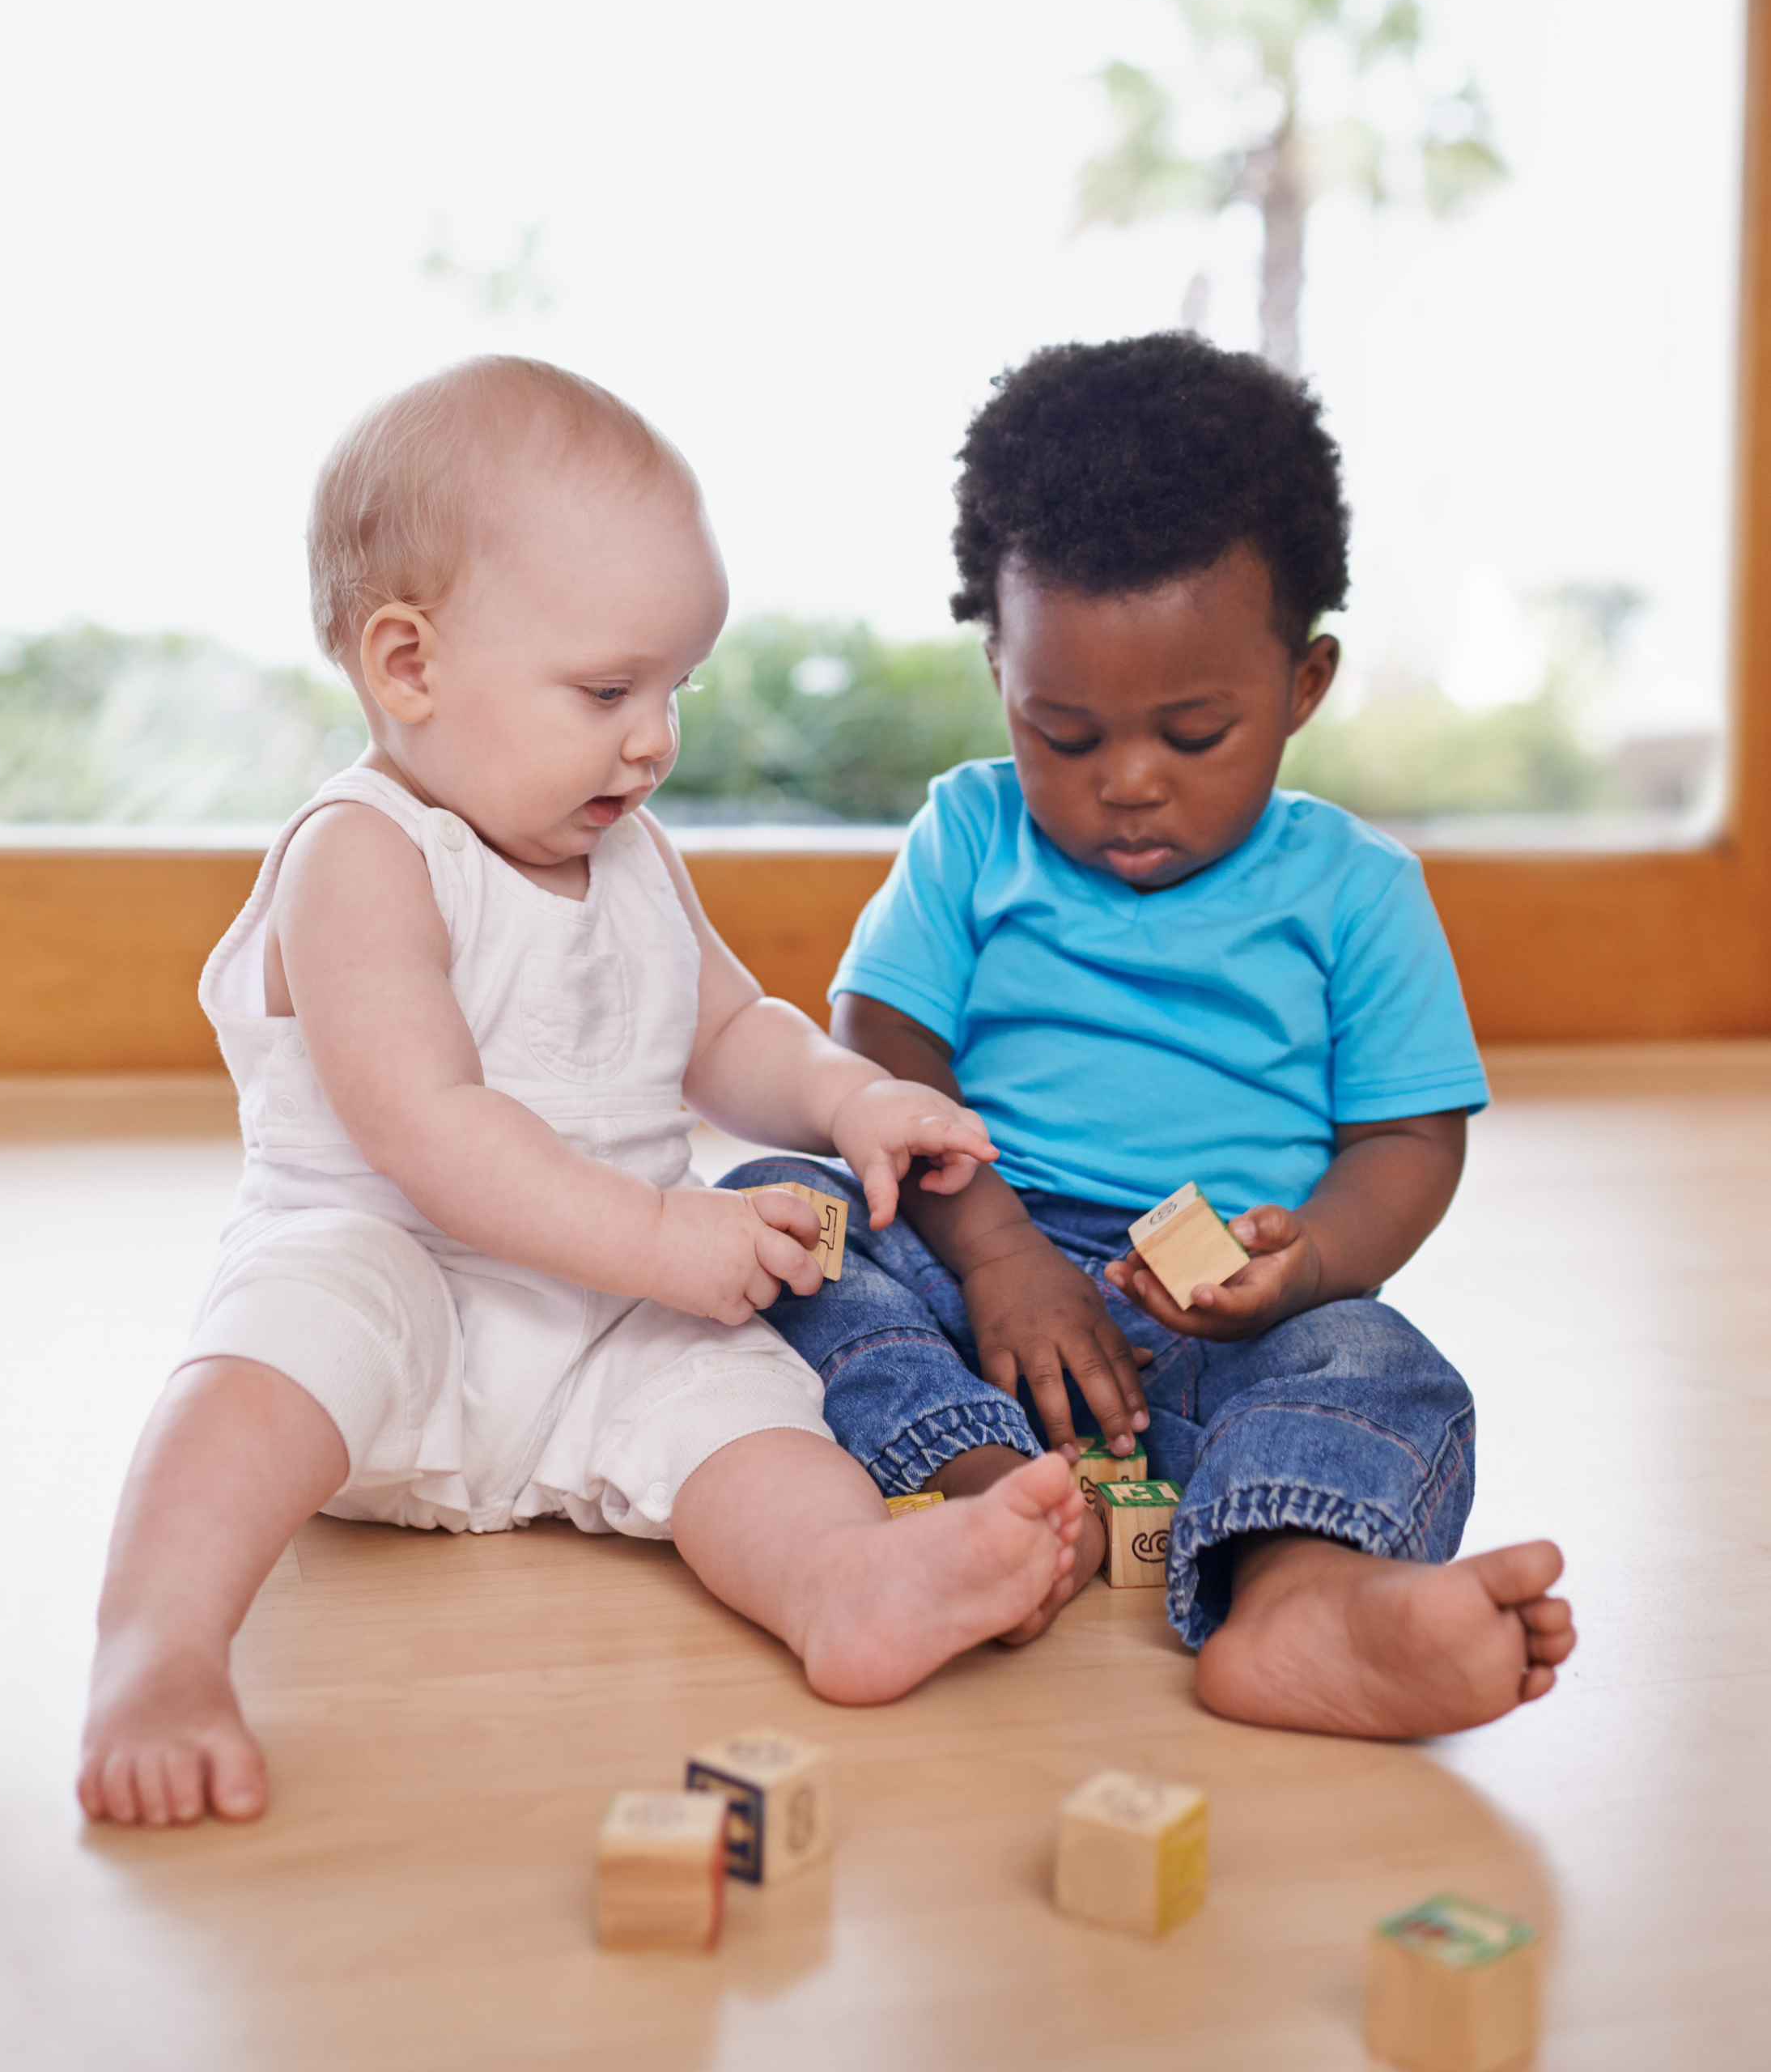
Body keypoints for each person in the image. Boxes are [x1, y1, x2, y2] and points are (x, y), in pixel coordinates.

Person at [78, 356, 1084, 1830]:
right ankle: (156, 1645)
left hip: (603, 1315)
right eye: (607, 688)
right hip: (398, 1281)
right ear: (407, 664)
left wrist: (849, 1097)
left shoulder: (634, 856)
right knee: (266, 1360)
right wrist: (664, 1238)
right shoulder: (359, 855)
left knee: (748, 1403)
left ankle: (846, 1581)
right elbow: (427, 1124)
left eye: (675, 688)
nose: (652, 738)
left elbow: (729, 1024)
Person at [725, 332, 1576, 1739]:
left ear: (1303, 685)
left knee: (1382, 1364)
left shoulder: (1357, 892)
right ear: (1000, 666)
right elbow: (878, 1038)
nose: (1127, 784)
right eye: (1064, 732)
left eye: (1194, 733)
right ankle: (984, 1493)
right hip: (966, 1260)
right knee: (775, 1215)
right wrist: (994, 1249)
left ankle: (1299, 1595)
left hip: (1223, 1319)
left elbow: (1408, 1138)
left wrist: (1313, 1264)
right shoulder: (970, 833)